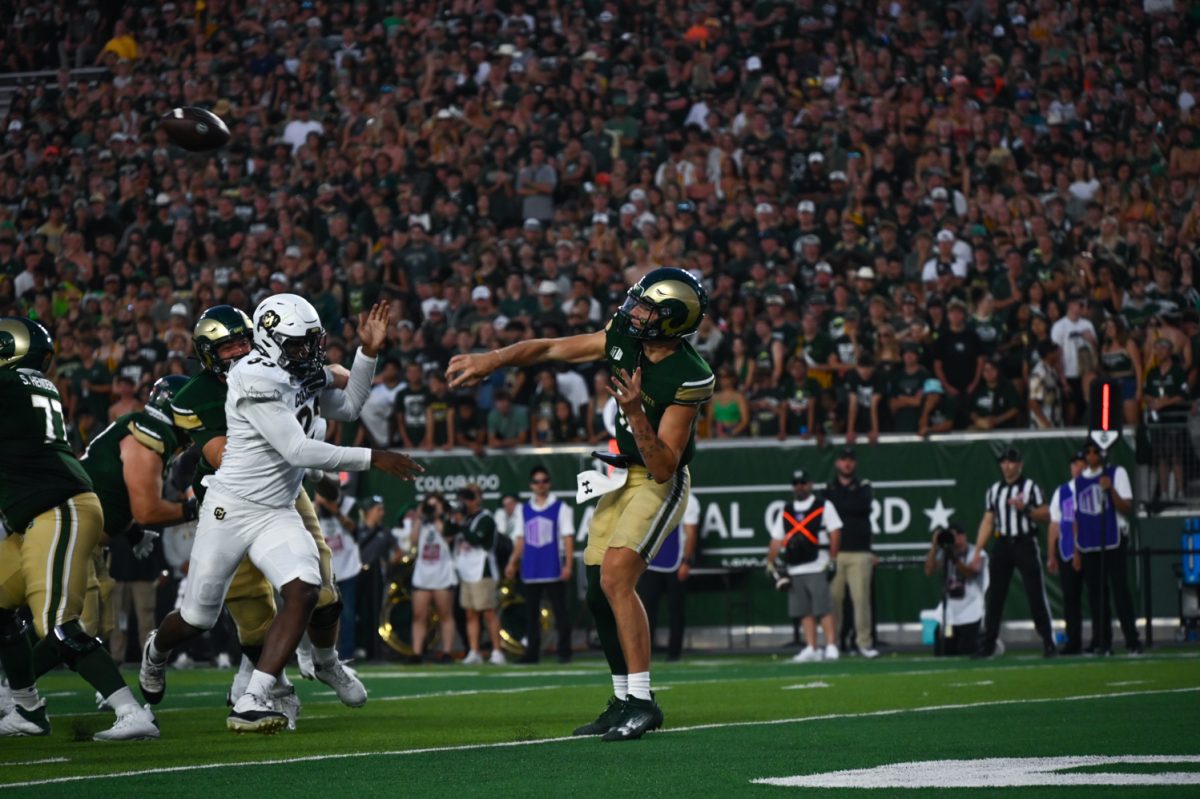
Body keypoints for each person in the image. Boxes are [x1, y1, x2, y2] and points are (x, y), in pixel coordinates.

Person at [449, 267, 713, 741]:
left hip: (658, 478)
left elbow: (664, 467)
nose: (633, 312)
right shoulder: (622, 336)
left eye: (647, 308)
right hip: (620, 471)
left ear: (669, 321)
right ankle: (622, 699)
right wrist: (495, 358)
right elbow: (550, 348)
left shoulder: (689, 375)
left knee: (616, 578)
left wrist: (633, 412)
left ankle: (643, 701)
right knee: (596, 590)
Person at [139, 295, 422, 733]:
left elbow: (348, 407)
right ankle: (156, 648)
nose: (307, 352)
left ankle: (253, 697)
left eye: (311, 342)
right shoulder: (254, 377)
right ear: (271, 343)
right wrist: (375, 456)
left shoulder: (294, 367)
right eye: (297, 344)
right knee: (198, 617)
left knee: (306, 588)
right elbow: (296, 448)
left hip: (276, 507)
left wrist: (368, 352)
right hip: (230, 507)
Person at [168, 304, 369, 719]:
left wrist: (325, 372)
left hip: (285, 491)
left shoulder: (283, 367)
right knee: (245, 611)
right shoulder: (195, 396)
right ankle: (259, 684)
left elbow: (344, 385)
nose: (240, 350)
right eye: (228, 347)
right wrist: (316, 458)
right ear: (209, 354)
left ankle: (324, 663)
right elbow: (225, 455)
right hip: (233, 497)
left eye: (245, 340)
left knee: (321, 590)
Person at [0, 316, 159, 740]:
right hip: (39, 511)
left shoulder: (8, 384)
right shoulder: (28, 385)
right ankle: (26, 707)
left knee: (56, 622)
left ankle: (131, 712)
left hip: (57, 508)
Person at [77, 374, 195, 663]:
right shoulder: (150, 432)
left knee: (100, 626)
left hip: (89, 536)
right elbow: (147, 511)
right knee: (77, 627)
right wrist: (196, 509)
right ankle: (15, 690)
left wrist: (131, 533)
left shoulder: (142, 425)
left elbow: (115, 492)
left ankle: (114, 693)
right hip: (76, 535)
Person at [970, 446, 1057, 659]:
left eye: (1011, 462)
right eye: (1004, 462)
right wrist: (977, 551)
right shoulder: (994, 491)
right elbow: (988, 521)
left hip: (1025, 543)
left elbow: (1047, 514)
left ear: (1020, 464)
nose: (1007, 466)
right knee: (994, 596)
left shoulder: (1031, 487)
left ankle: (1048, 641)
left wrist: (1025, 509)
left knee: (1035, 593)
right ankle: (988, 643)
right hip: (1002, 543)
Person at [1071, 442, 1143, 655]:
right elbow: (1077, 517)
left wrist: (1110, 489)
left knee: (1120, 591)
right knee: (1096, 595)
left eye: (1096, 451)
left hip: (1113, 539)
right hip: (1090, 542)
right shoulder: (1079, 482)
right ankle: (1102, 641)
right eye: (1088, 452)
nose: (1092, 455)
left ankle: (1132, 640)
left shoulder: (1117, 473)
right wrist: (1077, 548)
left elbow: (1126, 507)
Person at [766, 470, 841, 663]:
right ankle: (811, 647)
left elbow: (835, 532)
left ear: (810, 484)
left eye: (803, 482)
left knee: (823, 608)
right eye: (796, 483)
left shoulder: (824, 505)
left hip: (818, 564)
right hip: (795, 566)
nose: (800, 486)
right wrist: (770, 561)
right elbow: (776, 539)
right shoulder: (787, 509)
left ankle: (831, 645)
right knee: (804, 612)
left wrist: (833, 558)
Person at [505, 466, 575, 664]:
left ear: (549, 483)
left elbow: (568, 537)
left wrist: (568, 565)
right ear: (531, 485)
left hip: (553, 567)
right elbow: (520, 539)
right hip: (532, 568)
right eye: (536, 481)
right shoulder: (523, 509)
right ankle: (532, 653)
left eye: (544, 480)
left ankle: (564, 652)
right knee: (531, 614)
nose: (540, 484)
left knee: (561, 613)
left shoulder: (561, 508)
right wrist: (513, 562)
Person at [826, 447, 878, 658]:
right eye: (843, 460)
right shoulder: (828, 487)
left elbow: (859, 506)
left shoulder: (864, 486)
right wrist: (846, 502)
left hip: (859, 552)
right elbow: (831, 511)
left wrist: (842, 503)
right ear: (838, 463)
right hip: (835, 552)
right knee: (833, 600)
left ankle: (863, 643)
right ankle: (833, 643)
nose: (847, 463)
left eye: (850, 460)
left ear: (854, 463)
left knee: (861, 599)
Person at [637, 492, 701, 662]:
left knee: (676, 611)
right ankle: (644, 653)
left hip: (676, 563)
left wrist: (686, 561)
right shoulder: (648, 496)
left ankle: (674, 652)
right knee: (645, 611)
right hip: (650, 562)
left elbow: (691, 532)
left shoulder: (688, 500)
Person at [452, 484, 506, 666]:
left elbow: (476, 539)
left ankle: (497, 651)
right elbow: (446, 532)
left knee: (488, 612)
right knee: (470, 613)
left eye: (465, 500)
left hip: (483, 571)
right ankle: (474, 651)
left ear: (475, 501)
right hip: (467, 571)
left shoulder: (486, 519)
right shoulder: (463, 519)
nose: (462, 504)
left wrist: (461, 524)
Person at [923, 522, 987, 656]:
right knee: (944, 651)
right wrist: (934, 546)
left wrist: (953, 558)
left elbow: (970, 572)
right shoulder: (945, 552)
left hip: (971, 611)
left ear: (963, 536)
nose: (952, 540)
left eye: (955, 536)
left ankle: (990, 644)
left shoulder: (977, 552)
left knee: (967, 651)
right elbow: (929, 570)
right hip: (949, 613)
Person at [407, 494, 457, 664]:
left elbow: (448, 538)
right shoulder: (423, 523)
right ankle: (416, 652)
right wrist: (420, 517)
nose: (431, 508)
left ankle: (447, 652)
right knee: (418, 615)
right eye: (429, 505)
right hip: (423, 574)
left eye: (435, 505)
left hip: (442, 573)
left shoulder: (447, 521)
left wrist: (438, 517)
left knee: (445, 614)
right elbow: (413, 541)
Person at [1046, 450, 1087, 655]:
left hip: (1091, 551)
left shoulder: (1092, 489)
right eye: (1075, 464)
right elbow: (1056, 524)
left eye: (1082, 464)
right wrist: (1051, 554)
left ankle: (1100, 639)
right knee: (1070, 598)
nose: (1078, 468)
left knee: (1098, 596)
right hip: (1068, 552)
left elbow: (1078, 524)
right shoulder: (1063, 492)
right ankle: (1074, 642)